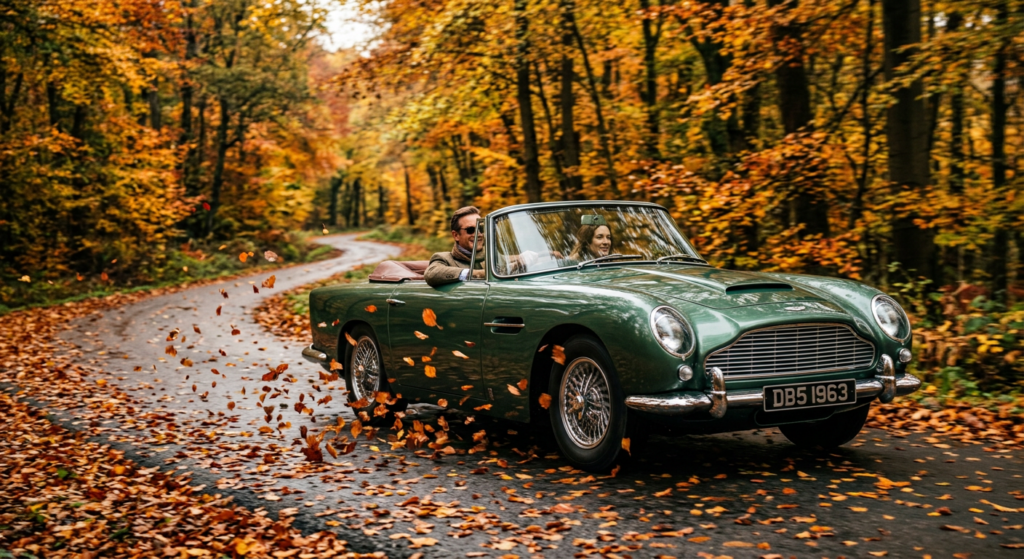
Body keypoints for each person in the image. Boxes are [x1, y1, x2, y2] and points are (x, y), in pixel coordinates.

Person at [425, 206, 487, 287]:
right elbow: (431, 274)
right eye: (470, 230)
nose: (478, 234)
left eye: (481, 228)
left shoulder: (493, 256)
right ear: (456, 235)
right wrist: (476, 274)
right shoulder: (444, 258)